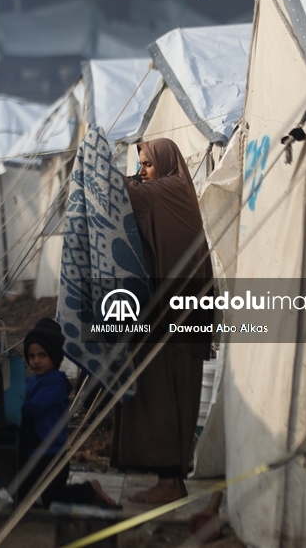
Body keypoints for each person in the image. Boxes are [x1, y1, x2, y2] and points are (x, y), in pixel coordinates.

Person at [112, 138, 213, 505]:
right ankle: (172, 481)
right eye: (140, 164)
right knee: (170, 397)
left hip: (176, 321)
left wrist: (100, 168)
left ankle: (170, 483)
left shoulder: (168, 189)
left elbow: (119, 189)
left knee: (165, 400)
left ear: (167, 164)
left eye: (148, 164)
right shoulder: (175, 190)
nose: (142, 171)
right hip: (175, 318)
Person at [17, 318, 116, 508]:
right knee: (21, 495)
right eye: (31, 356)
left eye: (42, 355)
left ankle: (90, 489)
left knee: (54, 497)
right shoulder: (32, 381)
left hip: (51, 455)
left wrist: (17, 406)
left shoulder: (55, 382)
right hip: (33, 452)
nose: (36, 361)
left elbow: (35, 408)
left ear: (54, 356)